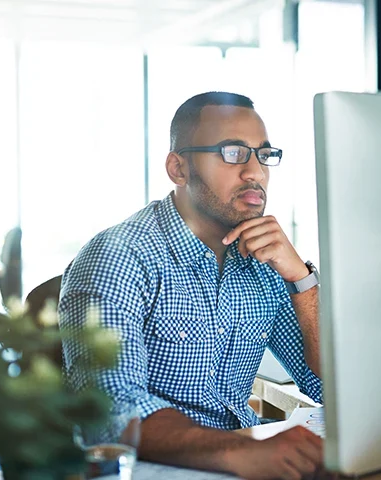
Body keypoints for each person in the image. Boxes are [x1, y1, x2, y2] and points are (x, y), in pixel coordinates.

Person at [59, 91, 325, 479]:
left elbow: (328, 387)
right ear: (178, 168)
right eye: (233, 152)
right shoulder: (118, 257)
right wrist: (244, 450)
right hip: (150, 470)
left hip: (242, 461)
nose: (254, 172)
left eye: (263, 155)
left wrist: (303, 280)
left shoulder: (266, 259)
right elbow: (113, 413)